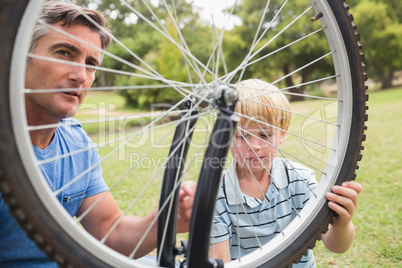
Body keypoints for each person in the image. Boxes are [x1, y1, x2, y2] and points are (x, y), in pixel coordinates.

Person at [0, 1, 196, 266]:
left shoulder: (76, 141)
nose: (81, 75)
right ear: (20, 57)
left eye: (91, 63)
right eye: (64, 52)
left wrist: (166, 219)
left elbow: (109, 232)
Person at [210, 79, 362, 267]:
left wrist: (342, 224)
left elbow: (337, 246)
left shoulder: (300, 179)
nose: (254, 145)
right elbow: (221, 262)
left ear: (282, 134)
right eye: (241, 135)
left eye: (265, 135)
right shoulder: (217, 194)